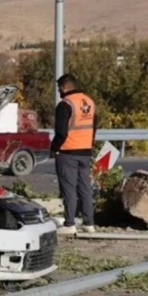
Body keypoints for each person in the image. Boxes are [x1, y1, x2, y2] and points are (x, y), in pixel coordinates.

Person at [50, 74, 96, 235]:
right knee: (85, 187)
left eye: (58, 89)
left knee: (68, 188)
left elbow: (61, 132)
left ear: (63, 87)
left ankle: (69, 223)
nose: (59, 92)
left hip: (68, 152)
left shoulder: (65, 104)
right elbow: (93, 127)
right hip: (85, 151)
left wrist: (54, 147)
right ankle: (89, 223)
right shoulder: (89, 102)